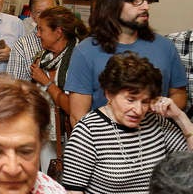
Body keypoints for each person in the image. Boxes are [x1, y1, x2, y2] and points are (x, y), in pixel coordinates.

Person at [65, 0, 187, 125]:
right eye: (136, 1)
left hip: (156, 139)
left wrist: (160, 106)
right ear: (113, 5)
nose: (145, 6)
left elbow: (179, 94)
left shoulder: (165, 46)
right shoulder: (85, 52)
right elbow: (78, 117)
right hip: (109, 142)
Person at [62, 52, 193, 193]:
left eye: (145, 101)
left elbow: (189, 165)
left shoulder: (155, 122)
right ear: (109, 94)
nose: (138, 110)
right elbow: (72, 191)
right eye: (131, 100)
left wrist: (179, 116)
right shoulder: (87, 131)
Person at [28, 6, 89, 165]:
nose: (38, 34)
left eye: (41, 29)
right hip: (45, 133)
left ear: (58, 32)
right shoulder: (43, 57)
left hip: (71, 137)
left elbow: (73, 108)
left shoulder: (78, 58)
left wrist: (46, 82)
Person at [7, 0, 61, 81]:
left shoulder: (67, 40)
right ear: (32, 16)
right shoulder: (22, 45)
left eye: (50, 11)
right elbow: (14, 86)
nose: (45, 17)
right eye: (40, 12)